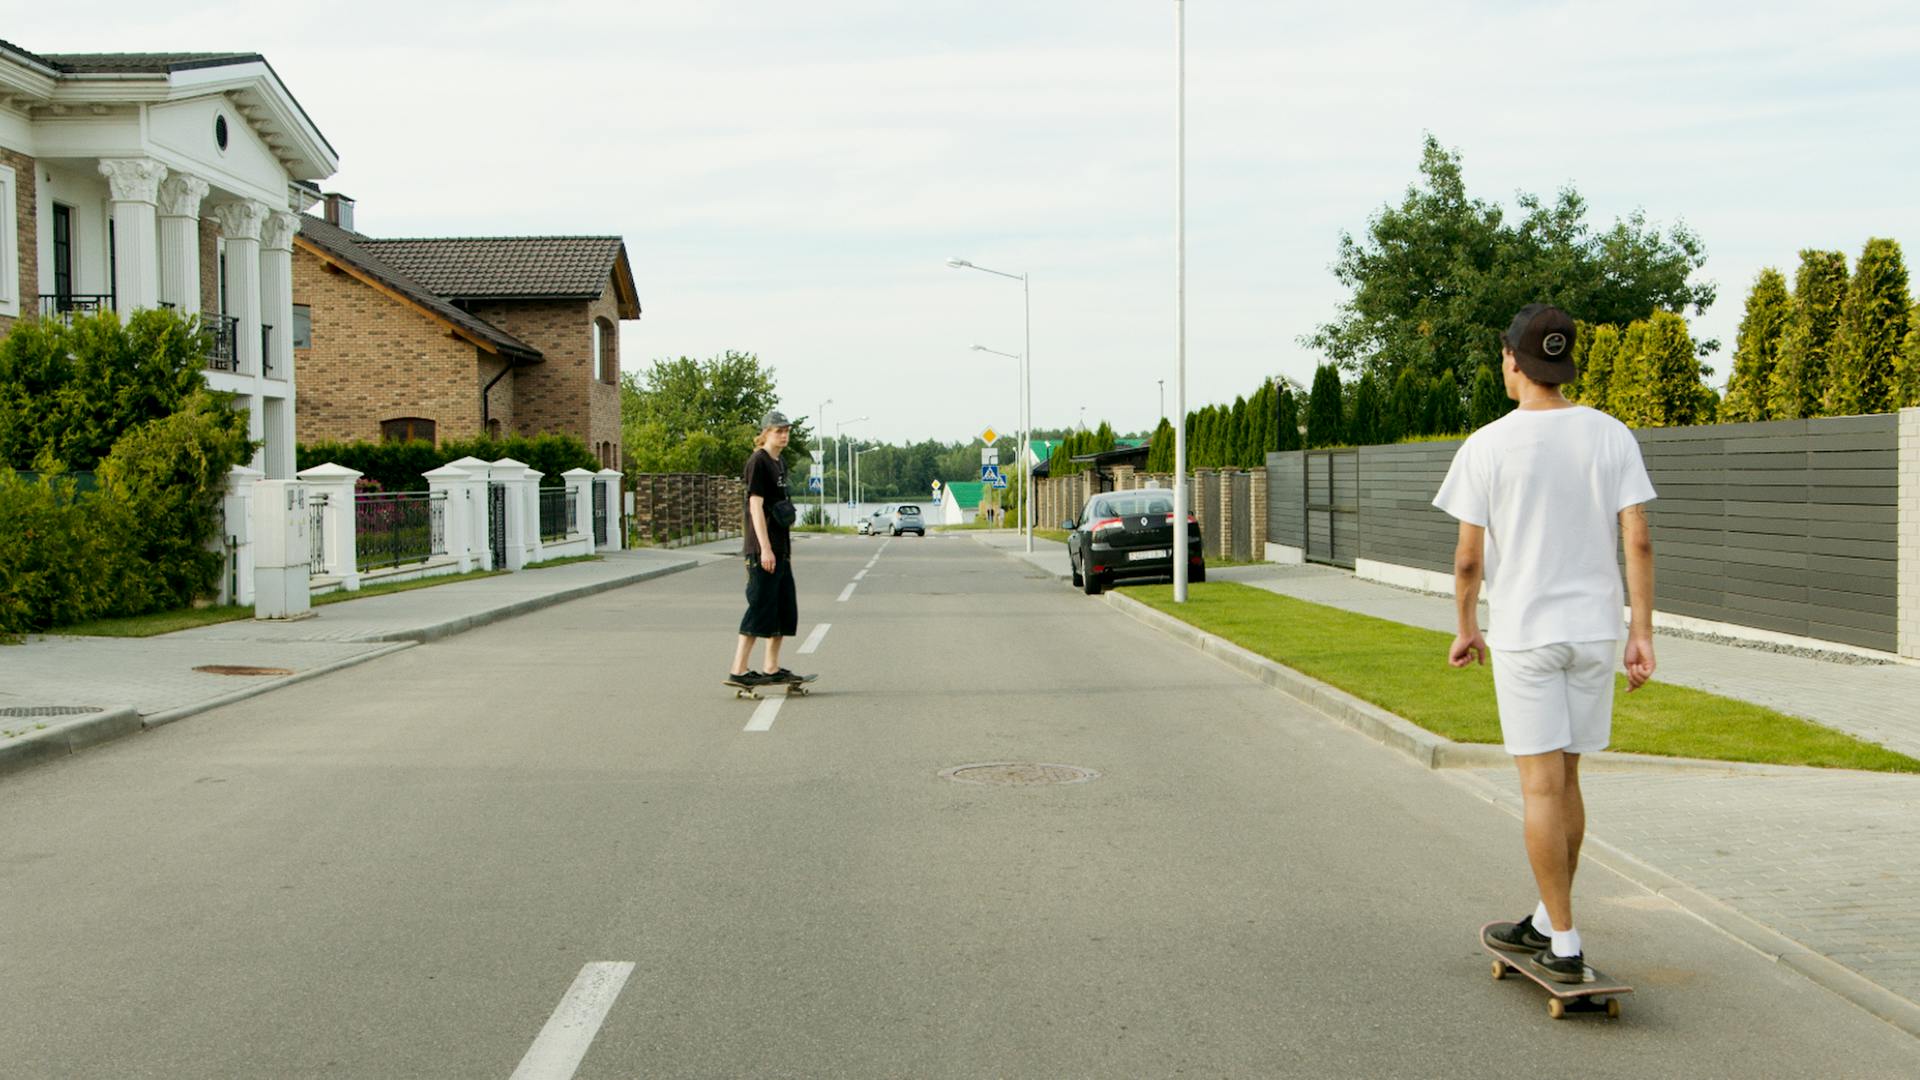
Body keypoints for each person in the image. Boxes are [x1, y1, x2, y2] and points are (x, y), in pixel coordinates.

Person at [1433, 304, 1658, 983]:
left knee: (1538, 787)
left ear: (1512, 360)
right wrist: (1640, 632)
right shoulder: (1611, 434)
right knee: (1567, 780)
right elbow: (1638, 538)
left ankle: (1563, 942)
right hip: (1595, 630)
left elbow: (1469, 559)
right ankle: (1544, 917)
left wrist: (1466, 627)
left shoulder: (1488, 445)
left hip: (1528, 635)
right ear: (1560, 363)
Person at [727, 411, 810, 691]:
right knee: (760, 607)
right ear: (765, 433)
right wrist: (764, 549)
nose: (784, 436)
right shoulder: (758, 462)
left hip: (781, 548)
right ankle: (738, 669)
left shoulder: (780, 462)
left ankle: (771, 667)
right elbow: (755, 506)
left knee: (785, 609)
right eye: (778, 431)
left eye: (787, 431)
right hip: (762, 550)